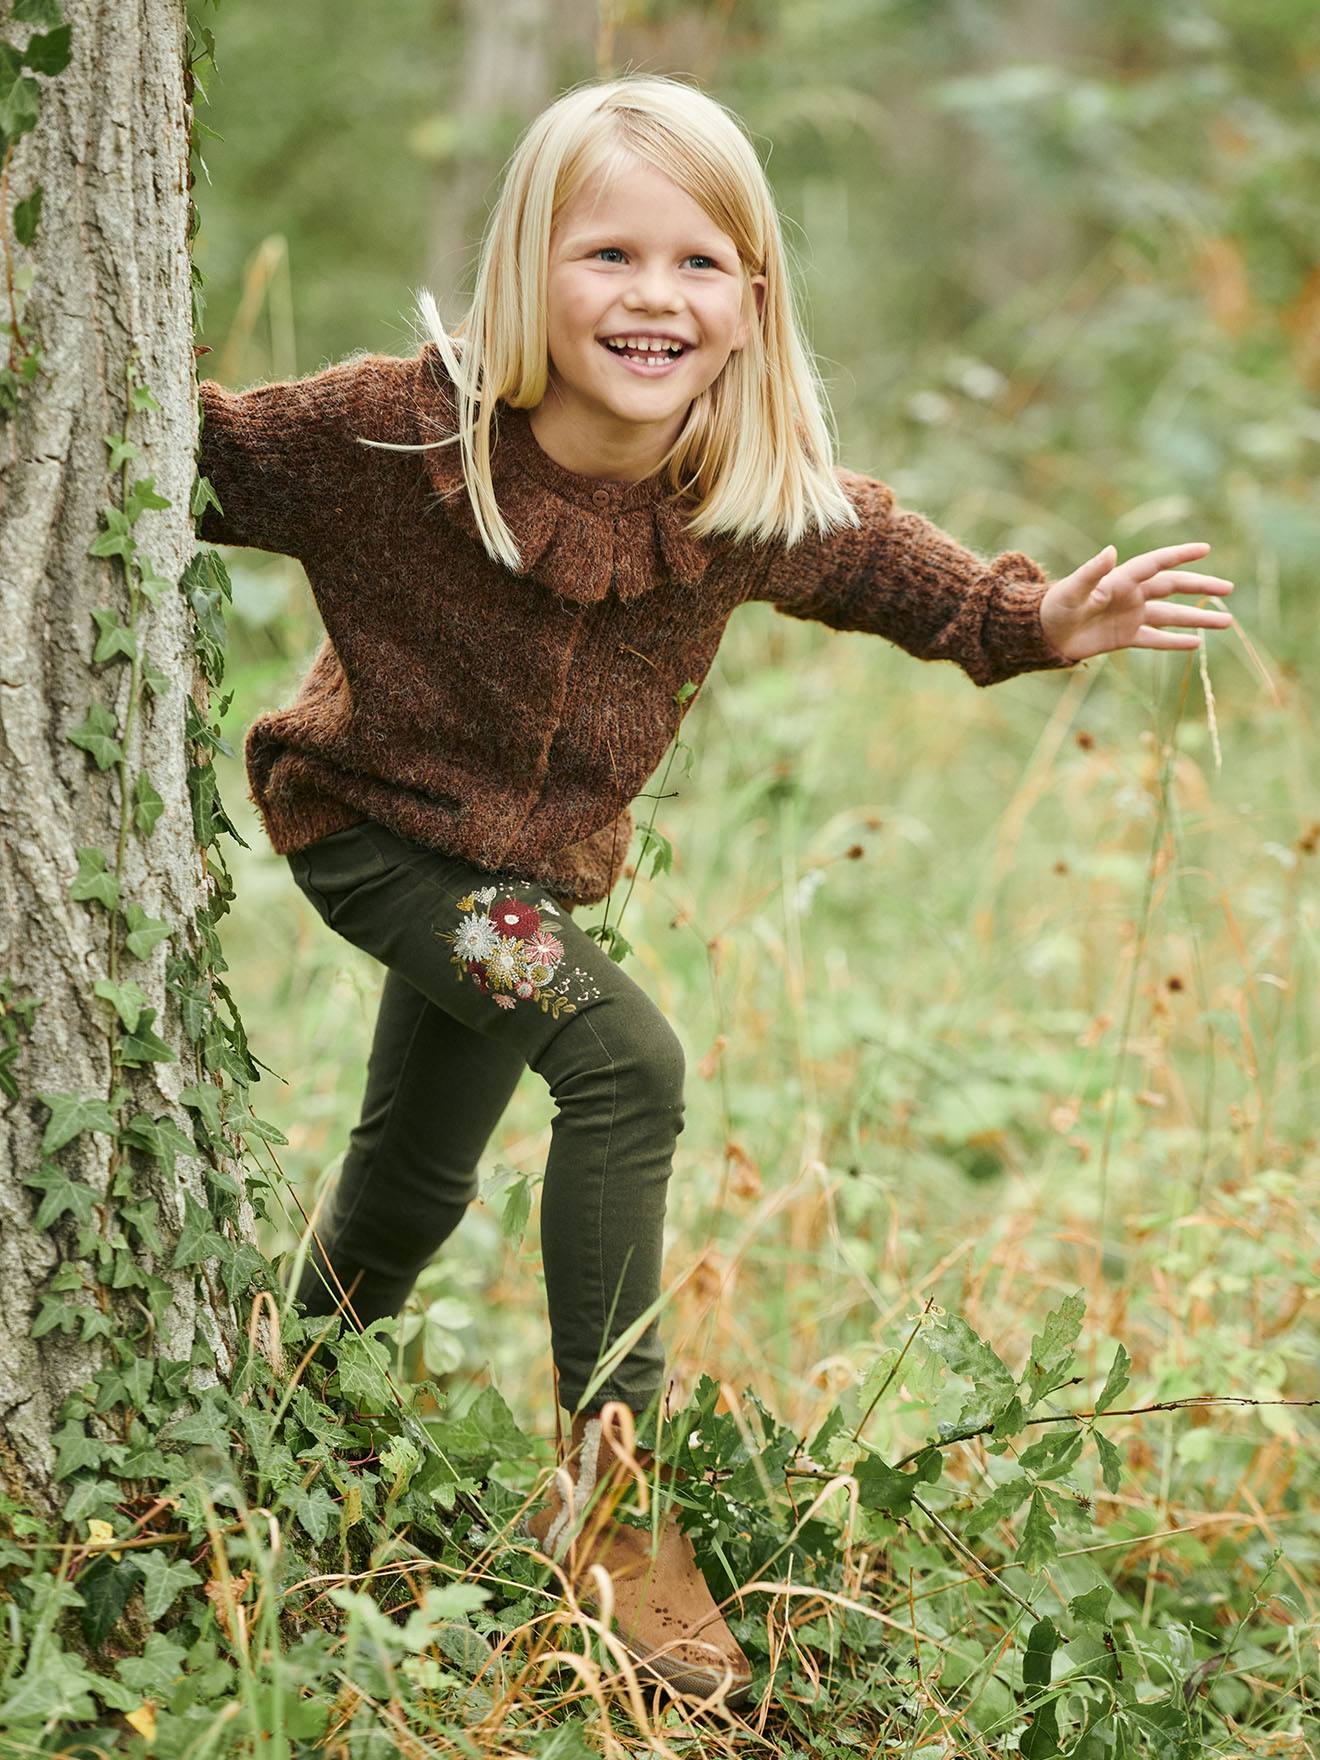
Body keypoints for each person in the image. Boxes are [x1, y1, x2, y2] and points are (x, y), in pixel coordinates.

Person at [195, 73, 1234, 1705]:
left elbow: (890, 562)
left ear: (752, 300)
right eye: (609, 253)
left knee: (411, 1182)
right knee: (625, 1062)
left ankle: (274, 1407)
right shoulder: (399, 431)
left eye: (699, 263)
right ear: (530, 269)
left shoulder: (729, 491)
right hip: (379, 841)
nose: (653, 296)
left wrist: (1033, 626)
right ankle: (612, 1504)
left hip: (526, 884)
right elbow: (184, 453)